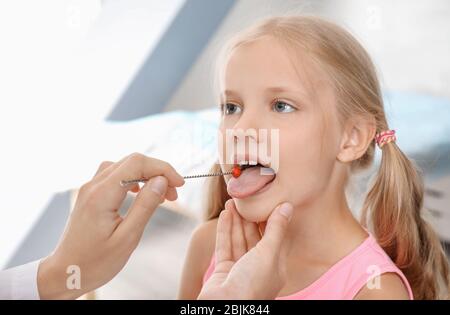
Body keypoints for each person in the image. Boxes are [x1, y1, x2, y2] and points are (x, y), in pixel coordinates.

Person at [178, 16, 450, 300]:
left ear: (352, 137)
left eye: (281, 105)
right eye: (231, 107)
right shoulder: (210, 246)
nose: (241, 129)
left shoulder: (374, 290)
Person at [0, 153, 293, 299]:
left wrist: (63, 272)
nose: (248, 127)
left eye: (282, 106)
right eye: (231, 107)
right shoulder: (209, 240)